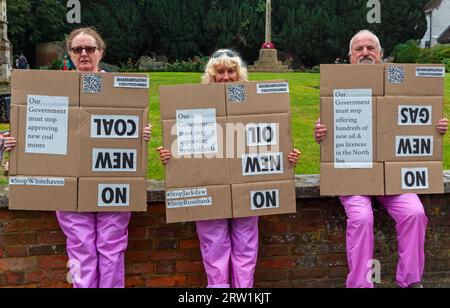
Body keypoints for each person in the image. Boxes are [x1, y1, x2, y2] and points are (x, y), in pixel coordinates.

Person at [4, 27, 152, 288]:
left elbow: (133, 127)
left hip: (112, 179)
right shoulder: (53, 90)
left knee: (112, 247)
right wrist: (16, 140)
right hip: (68, 185)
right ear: (69, 54)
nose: (84, 54)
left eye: (90, 49)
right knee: (80, 248)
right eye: (77, 49)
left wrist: (142, 131)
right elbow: (35, 126)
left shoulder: (122, 90)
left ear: (101, 52)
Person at [314, 30, 449, 288]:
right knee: (362, 218)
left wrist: (435, 127)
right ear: (350, 56)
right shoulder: (337, 86)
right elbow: (328, 129)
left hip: (393, 177)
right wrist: (321, 132)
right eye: (359, 49)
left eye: (370, 48)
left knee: (414, 213)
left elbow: (419, 114)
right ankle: (360, 284)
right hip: (352, 174)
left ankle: (410, 280)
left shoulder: (400, 83)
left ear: (380, 54)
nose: (365, 52)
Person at [157, 49, 301, 288]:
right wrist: (170, 156)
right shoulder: (193, 105)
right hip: (208, 188)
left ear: (238, 73)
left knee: (246, 246)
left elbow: (272, 140)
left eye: (230, 71)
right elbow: (184, 147)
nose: (225, 77)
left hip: (246, 187)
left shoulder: (255, 103)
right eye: (220, 72)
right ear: (211, 75)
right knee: (214, 248)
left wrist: (287, 157)